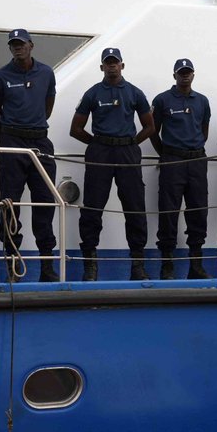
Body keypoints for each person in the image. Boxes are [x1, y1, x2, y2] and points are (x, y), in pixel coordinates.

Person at [70, 48, 155, 281]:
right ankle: (91, 266)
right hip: (100, 154)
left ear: (122, 65)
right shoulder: (92, 93)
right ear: (101, 67)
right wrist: (99, 143)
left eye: (115, 62)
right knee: (92, 209)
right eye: (107, 63)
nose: (111, 66)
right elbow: (75, 129)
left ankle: (138, 266)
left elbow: (150, 126)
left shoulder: (135, 93)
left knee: (135, 208)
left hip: (127, 153)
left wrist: (130, 143)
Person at [0, 28, 59, 282]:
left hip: (40, 140)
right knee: (9, 204)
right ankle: (12, 263)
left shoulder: (47, 73)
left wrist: (33, 127)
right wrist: (7, 138)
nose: (18, 47)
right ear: (10, 48)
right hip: (12, 141)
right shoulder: (0, 77)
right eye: (13, 44)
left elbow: (47, 107)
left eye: (22, 43)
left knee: (45, 203)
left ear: (31, 45)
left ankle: (48, 265)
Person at [150, 58, 212, 280]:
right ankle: (167, 265)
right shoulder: (162, 100)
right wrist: (166, 154)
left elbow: (203, 131)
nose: (185, 75)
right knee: (168, 211)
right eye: (181, 72)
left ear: (193, 75)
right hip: (172, 161)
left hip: (196, 161)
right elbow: (152, 131)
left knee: (198, 210)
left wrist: (191, 149)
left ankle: (196, 265)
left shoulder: (202, 101)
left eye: (188, 72)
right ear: (174, 75)